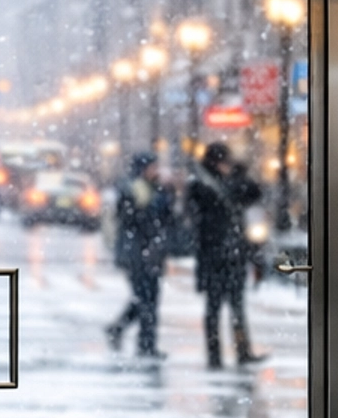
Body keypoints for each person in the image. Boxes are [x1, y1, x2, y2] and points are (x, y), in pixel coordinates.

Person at [186, 141, 266, 369]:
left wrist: (239, 174)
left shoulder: (224, 182)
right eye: (224, 162)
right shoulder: (201, 185)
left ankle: (242, 351)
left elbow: (253, 193)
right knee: (214, 308)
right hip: (213, 256)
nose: (226, 166)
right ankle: (215, 356)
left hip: (233, 254)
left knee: (237, 307)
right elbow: (205, 207)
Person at [106, 151, 175, 359]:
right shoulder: (132, 189)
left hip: (149, 252)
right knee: (147, 300)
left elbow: (166, 217)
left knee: (146, 299)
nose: (156, 171)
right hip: (137, 253)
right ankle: (145, 345)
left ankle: (121, 330)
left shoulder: (155, 188)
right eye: (153, 167)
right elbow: (132, 219)